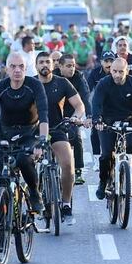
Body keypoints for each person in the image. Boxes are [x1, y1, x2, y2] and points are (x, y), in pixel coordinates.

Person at [0, 53, 49, 215]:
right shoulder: (0, 87)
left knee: (23, 160)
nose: (17, 70)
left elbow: (44, 113)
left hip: (29, 132)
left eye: (21, 66)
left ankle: (34, 193)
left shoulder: (34, 85)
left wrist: (42, 140)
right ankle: (1, 209)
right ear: (6, 69)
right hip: (4, 133)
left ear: (26, 69)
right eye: (13, 66)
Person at [35, 52, 87, 225]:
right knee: (25, 164)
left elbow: (79, 105)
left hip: (57, 129)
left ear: (53, 65)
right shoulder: (30, 83)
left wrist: (75, 118)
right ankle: (32, 200)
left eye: (47, 62)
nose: (44, 65)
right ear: (36, 66)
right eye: (41, 62)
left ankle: (65, 204)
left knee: (67, 163)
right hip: (34, 132)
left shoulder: (62, 83)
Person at [92, 58, 132, 200]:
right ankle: (103, 182)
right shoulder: (103, 83)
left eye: (121, 72)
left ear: (127, 71)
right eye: (114, 71)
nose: (117, 75)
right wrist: (97, 119)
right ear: (110, 70)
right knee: (106, 154)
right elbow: (96, 103)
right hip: (107, 122)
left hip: (129, 119)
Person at [54, 53, 92, 184]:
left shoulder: (78, 77)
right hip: (55, 112)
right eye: (68, 66)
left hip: (73, 112)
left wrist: (89, 116)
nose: (72, 69)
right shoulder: (53, 76)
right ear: (60, 66)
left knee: (75, 136)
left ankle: (78, 170)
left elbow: (86, 97)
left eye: (73, 66)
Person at [87, 51, 115, 171]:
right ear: (101, 62)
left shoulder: (119, 72)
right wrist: (89, 113)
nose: (109, 64)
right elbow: (87, 91)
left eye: (111, 61)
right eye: (106, 61)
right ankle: (97, 158)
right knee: (95, 131)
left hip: (116, 107)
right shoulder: (94, 73)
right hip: (99, 106)